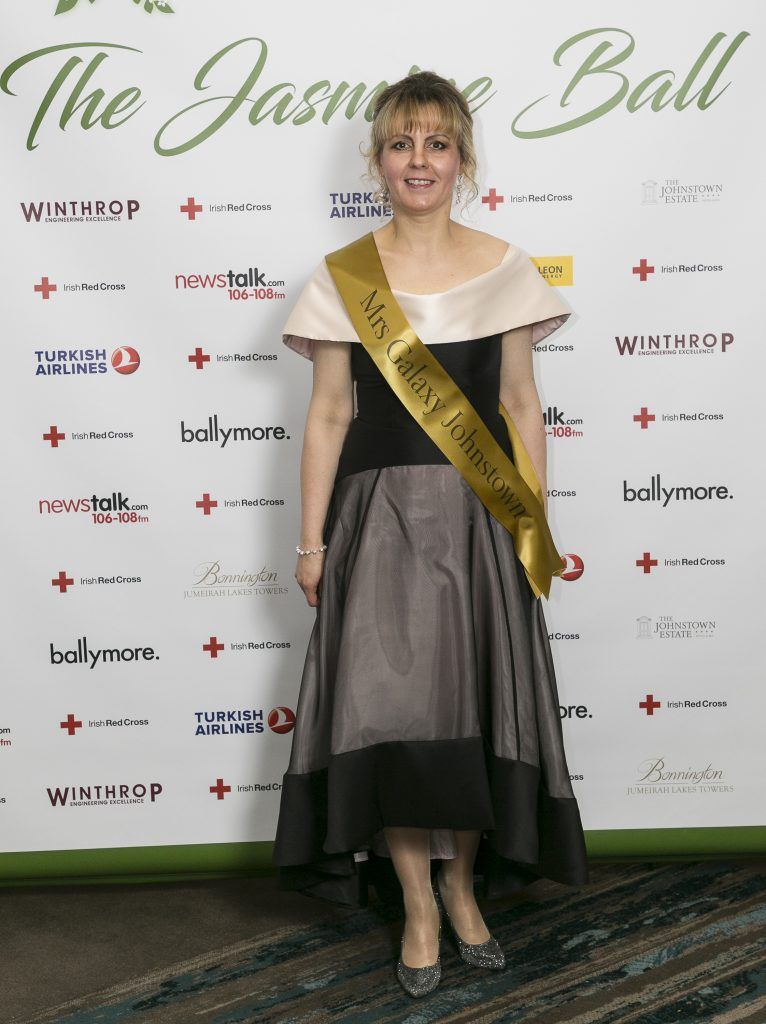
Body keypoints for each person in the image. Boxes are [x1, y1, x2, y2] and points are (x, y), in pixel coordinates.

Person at [272, 69, 589, 998]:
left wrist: (535, 521)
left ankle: (462, 888)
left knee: (475, 707)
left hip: (482, 524)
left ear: (463, 160)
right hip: (377, 528)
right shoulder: (344, 279)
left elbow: (523, 405)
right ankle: (414, 900)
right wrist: (309, 543)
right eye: (402, 144)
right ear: (377, 160)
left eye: (437, 144)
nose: (420, 161)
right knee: (390, 716)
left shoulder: (505, 267)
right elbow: (328, 415)